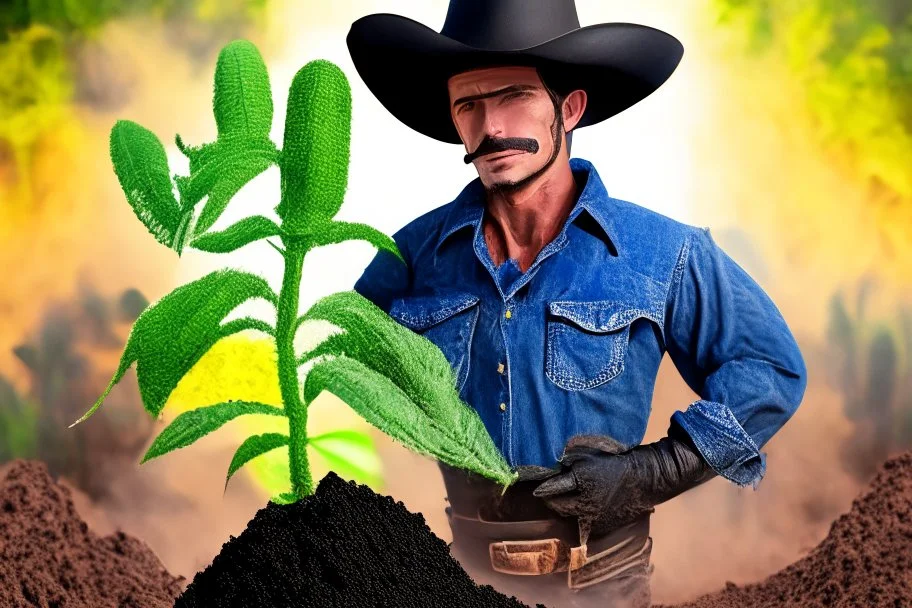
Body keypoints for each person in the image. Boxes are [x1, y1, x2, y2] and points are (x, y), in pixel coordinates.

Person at [345, 1, 808, 606]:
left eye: (513, 97)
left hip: (604, 584)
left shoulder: (661, 254)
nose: (490, 127)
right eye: (468, 105)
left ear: (571, 108)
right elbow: (346, 353)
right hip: (460, 584)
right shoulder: (410, 256)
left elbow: (771, 370)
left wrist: (651, 473)